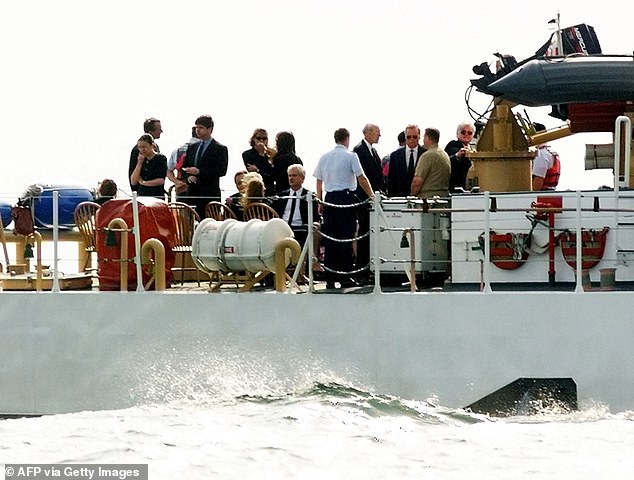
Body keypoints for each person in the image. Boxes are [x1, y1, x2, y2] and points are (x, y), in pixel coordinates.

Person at [314, 128, 374, 289]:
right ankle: (345, 276)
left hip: (330, 199)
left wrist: (319, 200)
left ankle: (330, 277)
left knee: (331, 238)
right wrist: (372, 196)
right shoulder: (351, 156)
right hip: (346, 198)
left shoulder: (324, 157)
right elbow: (361, 178)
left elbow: (319, 181)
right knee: (345, 238)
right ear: (347, 139)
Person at [352, 123, 385, 283]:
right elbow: (362, 176)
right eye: (378, 132)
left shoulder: (372, 151)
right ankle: (362, 270)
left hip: (372, 199)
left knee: (370, 233)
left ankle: (369, 268)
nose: (380, 135)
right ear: (369, 133)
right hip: (363, 200)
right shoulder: (359, 150)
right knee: (364, 234)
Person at [181, 115, 229, 218]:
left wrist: (200, 172)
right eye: (196, 127)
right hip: (192, 194)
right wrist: (188, 176)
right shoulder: (192, 147)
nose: (198, 130)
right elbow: (184, 167)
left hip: (209, 194)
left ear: (209, 129)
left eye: (201, 127)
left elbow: (221, 170)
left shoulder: (220, 148)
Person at [273, 164, 319, 252]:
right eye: (289, 175)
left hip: (301, 228)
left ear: (302, 178)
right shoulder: (281, 196)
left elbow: (315, 217)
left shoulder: (309, 196)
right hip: (283, 227)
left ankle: (312, 259)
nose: (291, 178)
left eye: (294, 175)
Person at [410, 127, 451, 199]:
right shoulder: (445, 154)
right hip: (444, 198)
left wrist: (412, 195)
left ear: (427, 138)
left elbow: (417, 182)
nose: (423, 140)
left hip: (428, 199)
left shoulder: (427, 156)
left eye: (424, 137)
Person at [387, 124, 426, 197]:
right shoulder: (395, 156)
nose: (412, 139)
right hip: (400, 199)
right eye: (408, 137)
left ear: (419, 137)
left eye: (415, 137)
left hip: (420, 197)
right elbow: (391, 181)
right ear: (405, 137)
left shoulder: (425, 154)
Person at [128, 118, 162, 192]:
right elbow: (133, 170)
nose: (161, 132)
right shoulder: (137, 150)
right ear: (151, 131)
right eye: (159, 129)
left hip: (155, 190)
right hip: (142, 190)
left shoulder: (159, 154)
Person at [167, 126, 200, 196]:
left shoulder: (177, 150)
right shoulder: (203, 150)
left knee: (181, 207)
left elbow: (168, 171)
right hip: (199, 189)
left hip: (180, 189)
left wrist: (176, 181)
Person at [242, 128, 275, 195]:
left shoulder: (272, 153)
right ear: (254, 139)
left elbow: (272, 174)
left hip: (269, 189)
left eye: (264, 138)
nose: (261, 141)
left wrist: (258, 169)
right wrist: (261, 155)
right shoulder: (247, 154)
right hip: (255, 189)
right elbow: (252, 173)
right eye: (259, 138)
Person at [445, 122, 475, 193]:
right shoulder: (452, 145)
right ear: (457, 133)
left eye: (469, 133)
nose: (466, 135)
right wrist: (457, 156)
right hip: (456, 188)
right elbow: (448, 161)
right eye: (463, 132)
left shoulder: (473, 148)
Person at [531, 123, 561, 190]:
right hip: (551, 191)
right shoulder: (551, 152)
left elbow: (538, 180)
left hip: (542, 193)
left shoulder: (541, 155)